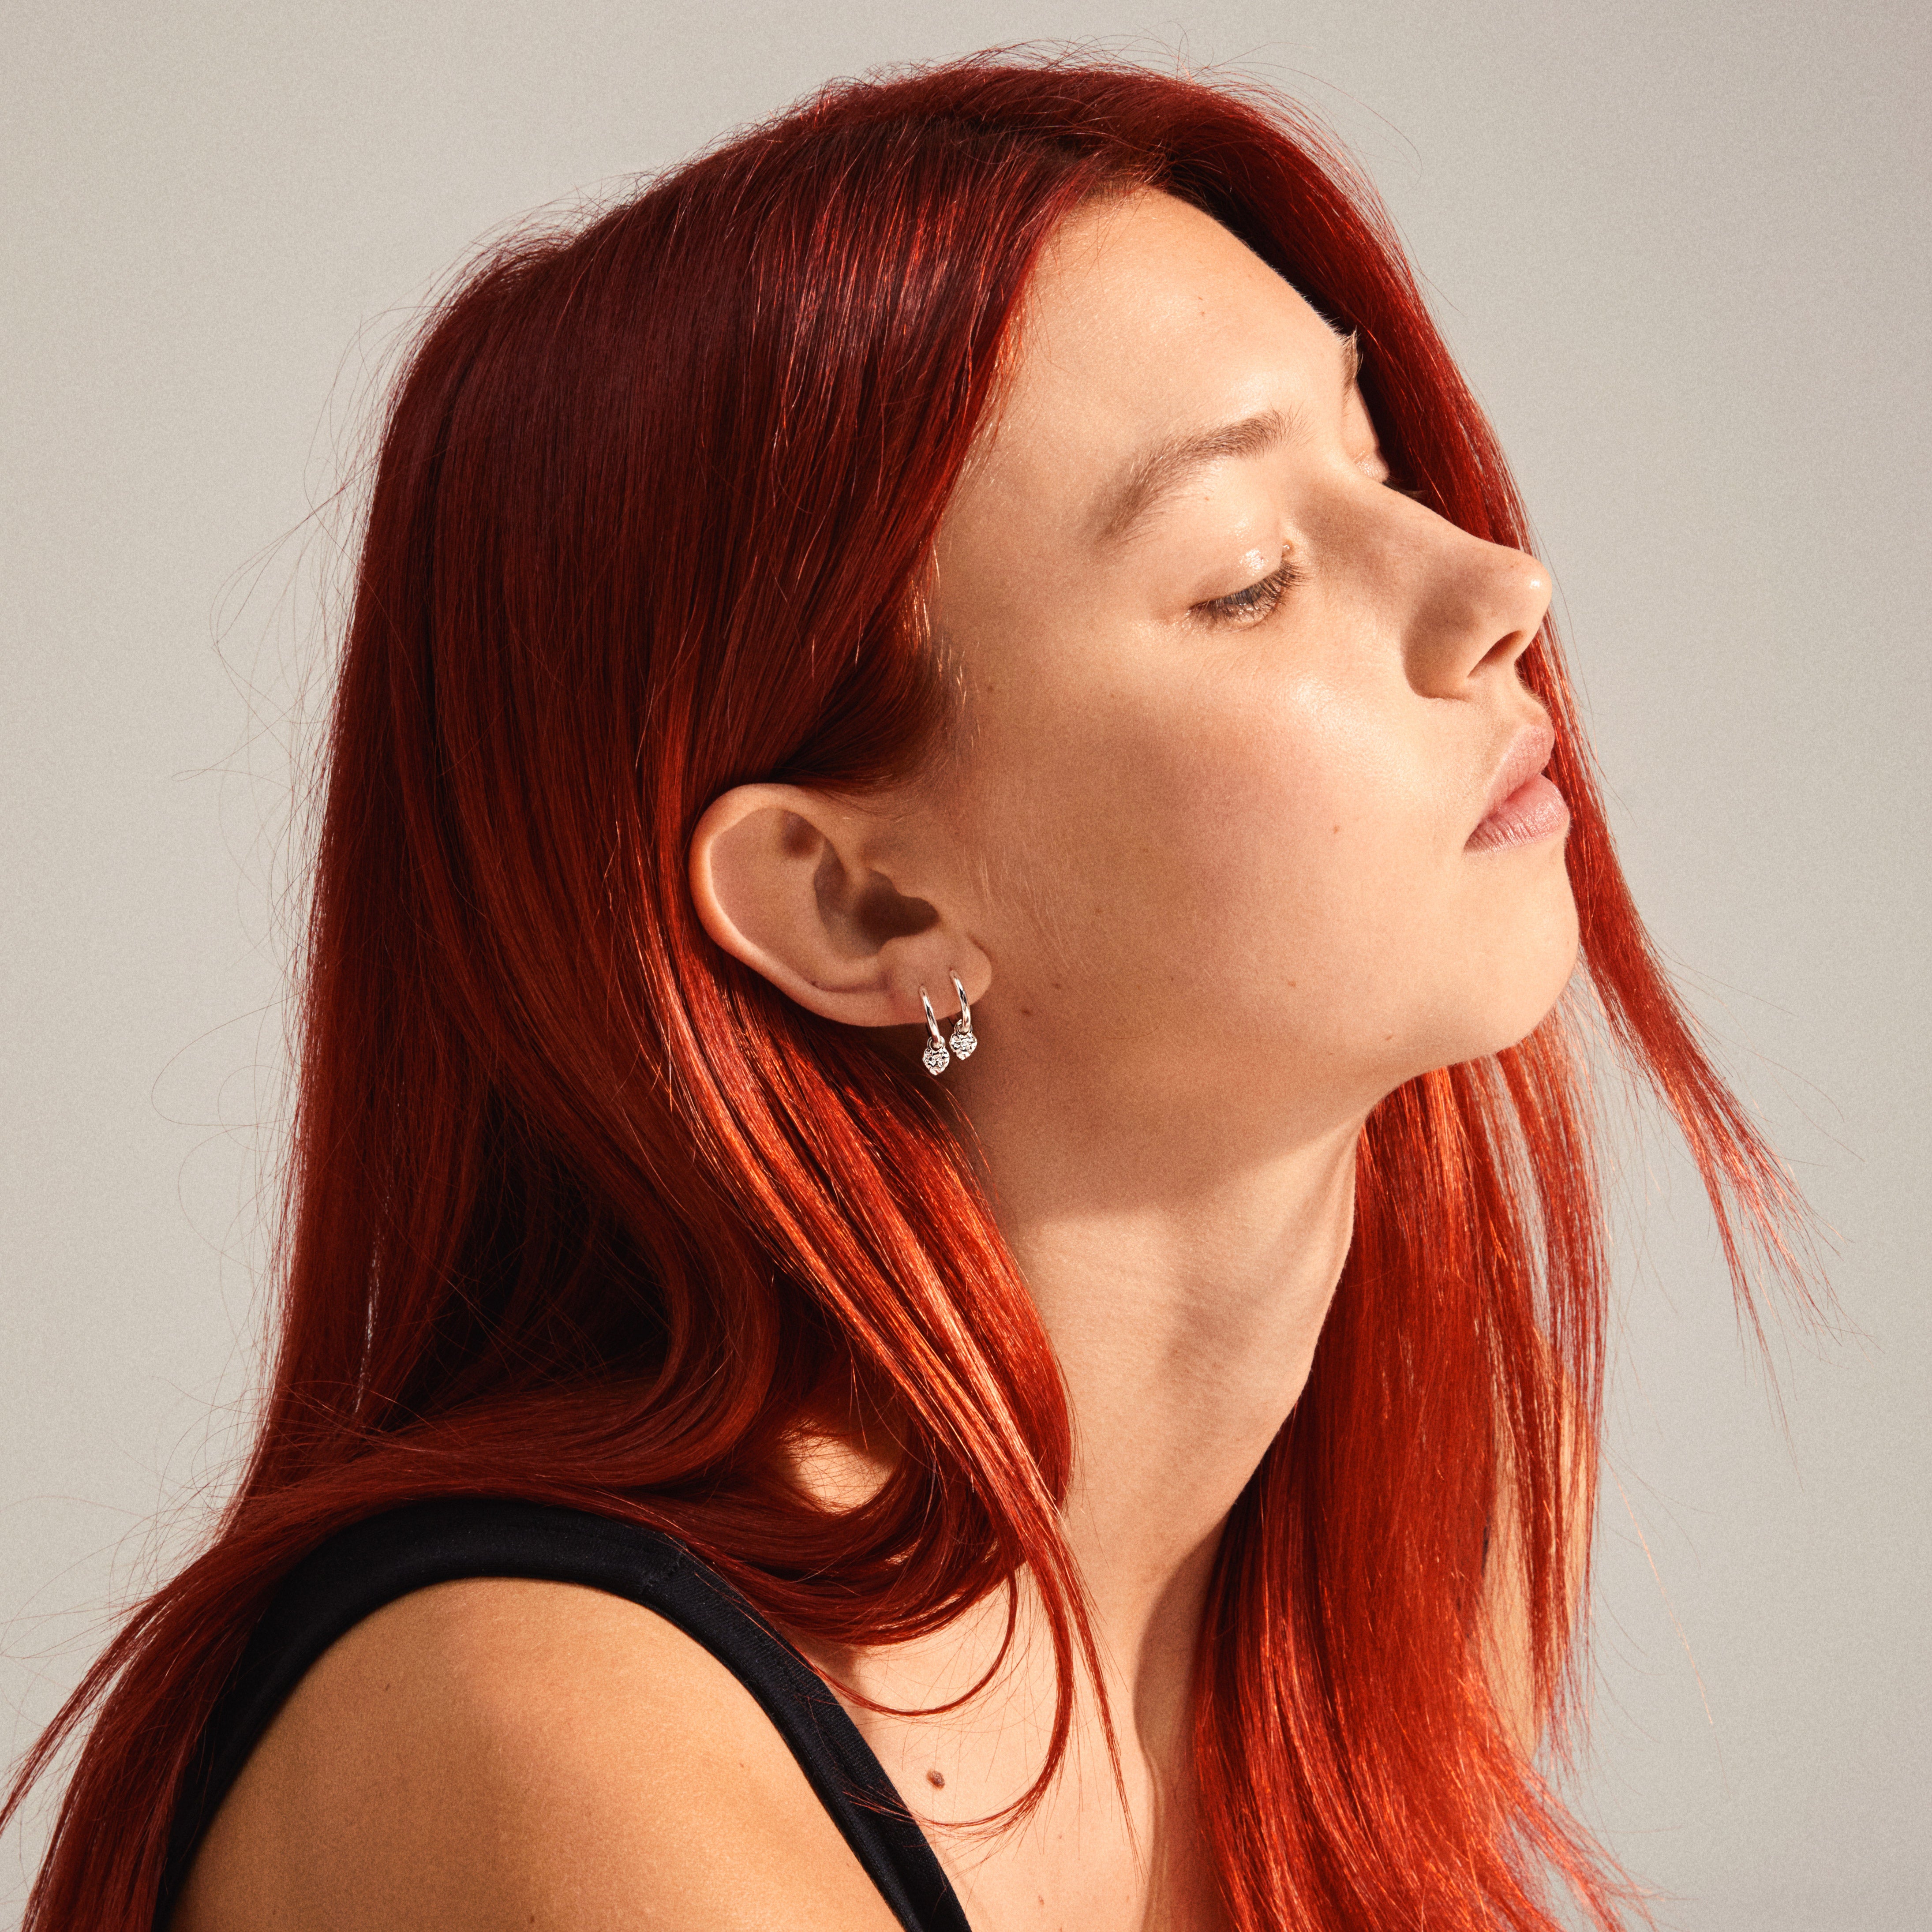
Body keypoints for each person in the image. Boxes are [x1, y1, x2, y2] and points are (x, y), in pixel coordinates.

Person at [4, 52, 1804, 1932]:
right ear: (856, 902)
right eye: (1249, 579)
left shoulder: (1388, 1568)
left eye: (1379, 460)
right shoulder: (553, 1733)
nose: (1501, 581)